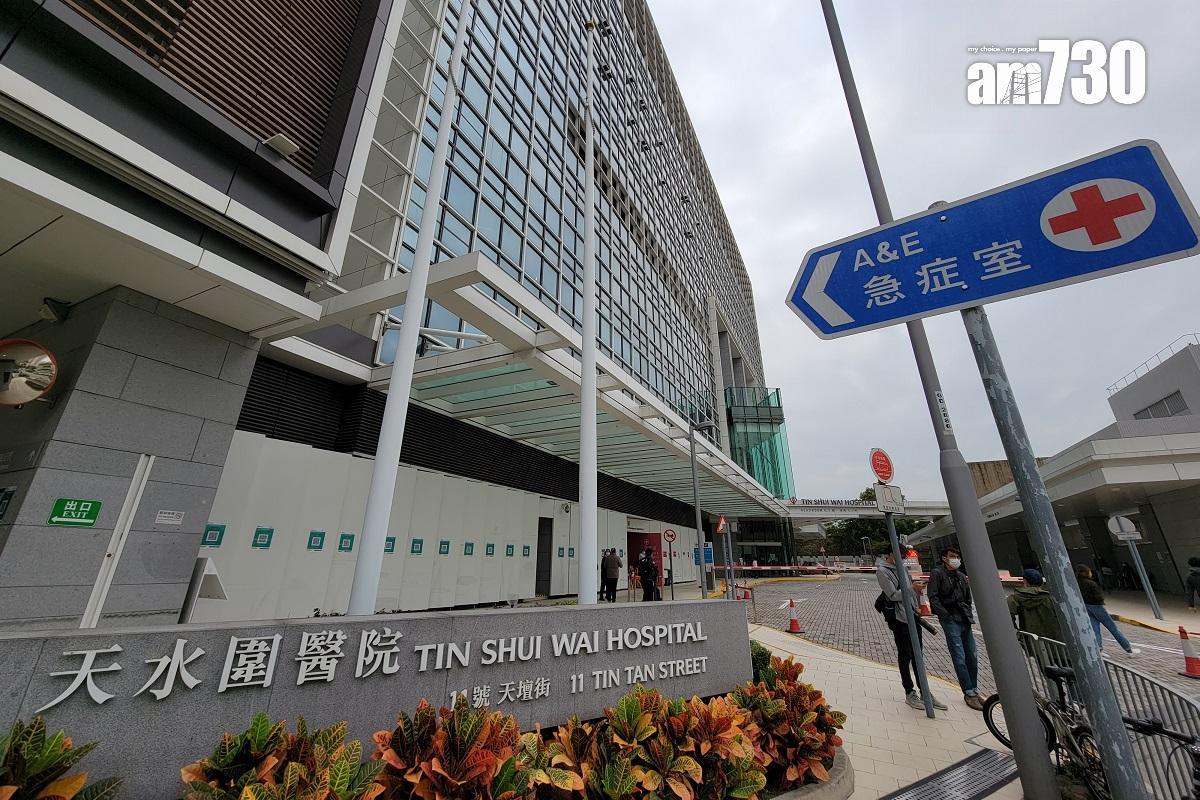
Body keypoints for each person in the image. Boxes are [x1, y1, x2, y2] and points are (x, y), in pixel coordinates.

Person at [875, 544, 947, 711]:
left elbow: (909, 592)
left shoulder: (902, 569)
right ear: (890, 554)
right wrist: (912, 589)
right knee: (905, 654)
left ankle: (925, 692)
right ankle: (909, 692)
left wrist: (916, 599)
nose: (902, 559)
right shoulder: (882, 571)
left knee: (917, 654)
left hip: (912, 616)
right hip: (899, 618)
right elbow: (892, 595)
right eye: (900, 555)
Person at [928, 547, 983, 710]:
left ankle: (974, 689)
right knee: (959, 656)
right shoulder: (937, 574)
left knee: (972, 656)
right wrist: (945, 615)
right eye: (952, 556)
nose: (956, 559)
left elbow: (967, 597)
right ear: (944, 558)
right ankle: (968, 692)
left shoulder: (961, 576)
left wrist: (967, 611)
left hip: (964, 618)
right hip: (950, 619)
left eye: (958, 556)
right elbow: (933, 597)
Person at [1076, 564, 1139, 654]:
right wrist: (1101, 601)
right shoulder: (1091, 583)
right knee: (1113, 628)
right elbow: (1099, 597)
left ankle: (1099, 650)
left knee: (1095, 629)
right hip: (1097, 607)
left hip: (1087, 606)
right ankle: (1128, 649)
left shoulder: (1078, 583)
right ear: (1086, 572)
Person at [1007, 568, 1062, 641]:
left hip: (1030, 640)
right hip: (1053, 640)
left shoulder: (1015, 598)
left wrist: (1017, 633)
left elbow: (1008, 616)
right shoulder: (1050, 597)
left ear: (1025, 581)